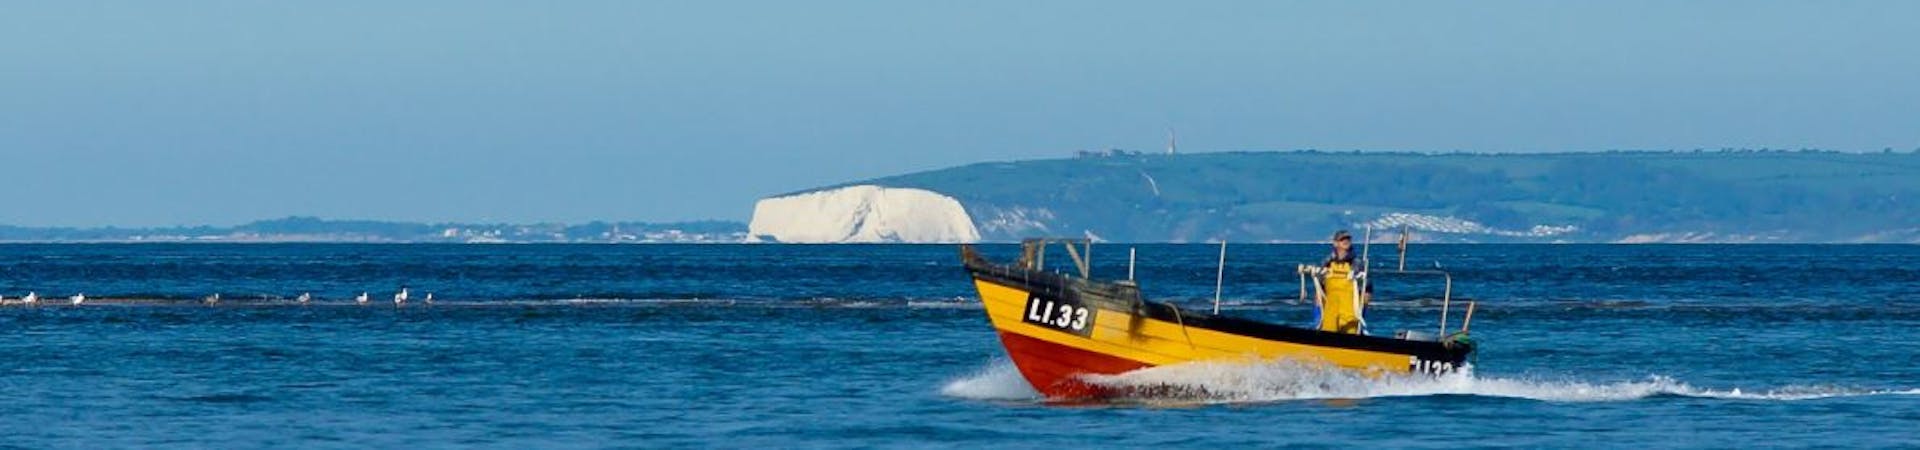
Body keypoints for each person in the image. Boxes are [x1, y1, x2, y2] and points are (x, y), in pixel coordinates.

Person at [1315, 230, 1371, 334]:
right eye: (1342, 239)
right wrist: (1317, 312)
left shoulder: (1357, 263)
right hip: (1330, 312)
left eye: (1348, 239)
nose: (1345, 241)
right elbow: (1319, 288)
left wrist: (1363, 310)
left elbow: (1367, 289)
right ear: (1335, 243)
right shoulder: (1326, 263)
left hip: (1350, 313)